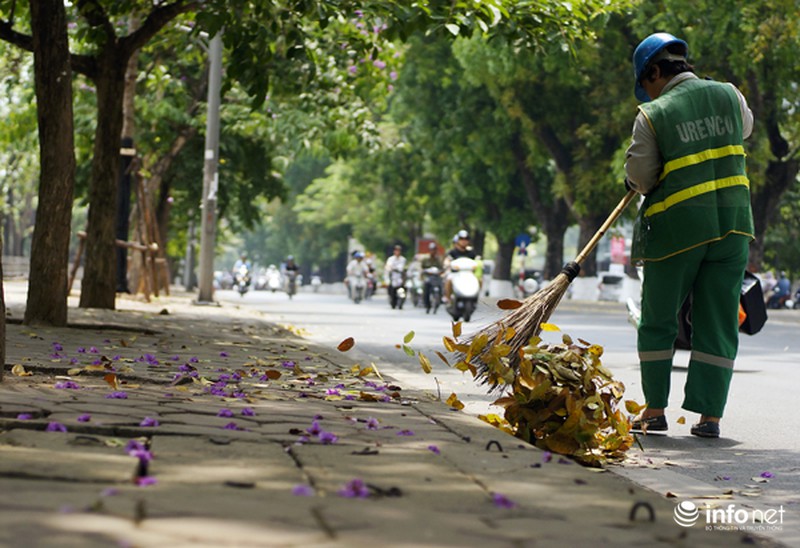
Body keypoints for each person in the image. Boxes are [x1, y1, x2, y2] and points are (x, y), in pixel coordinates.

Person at [625, 33, 754, 439]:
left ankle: (654, 410)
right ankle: (709, 417)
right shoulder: (730, 95)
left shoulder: (653, 115)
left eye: (646, 84)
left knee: (659, 320)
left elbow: (642, 178)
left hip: (677, 231)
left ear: (656, 72)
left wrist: (637, 173)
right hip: (733, 226)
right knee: (717, 322)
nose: (647, 94)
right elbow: (744, 130)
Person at [443, 230, 476, 303]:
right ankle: (448, 298)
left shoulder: (471, 253)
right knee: (449, 280)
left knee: (479, 279)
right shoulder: (453, 252)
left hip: (468, 274)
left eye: (466, 239)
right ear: (458, 240)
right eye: (461, 239)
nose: (464, 241)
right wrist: (447, 263)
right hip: (455, 274)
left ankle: (475, 296)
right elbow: (447, 260)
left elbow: (476, 261)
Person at [420, 242, 444, 313]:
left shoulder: (438, 259)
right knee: (426, 289)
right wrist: (425, 272)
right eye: (432, 250)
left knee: (441, 286)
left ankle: (440, 299)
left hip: (436, 277)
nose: (433, 251)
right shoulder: (425, 259)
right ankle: (427, 305)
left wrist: (440, 272)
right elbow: (421, 268)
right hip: (428, 277)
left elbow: (442, 268)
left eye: (434, 250)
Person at [384, 245, 407, 309]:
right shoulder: (391, 259)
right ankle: (392, 301)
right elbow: (388, 266)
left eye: (399, 250)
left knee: (403, 288)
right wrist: (390, 268)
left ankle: (401, 302)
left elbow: (403, 268)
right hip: (393, 276)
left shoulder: (403, 259)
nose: (397, 252)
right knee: (391, 289)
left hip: (400, 277)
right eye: (396, 250)